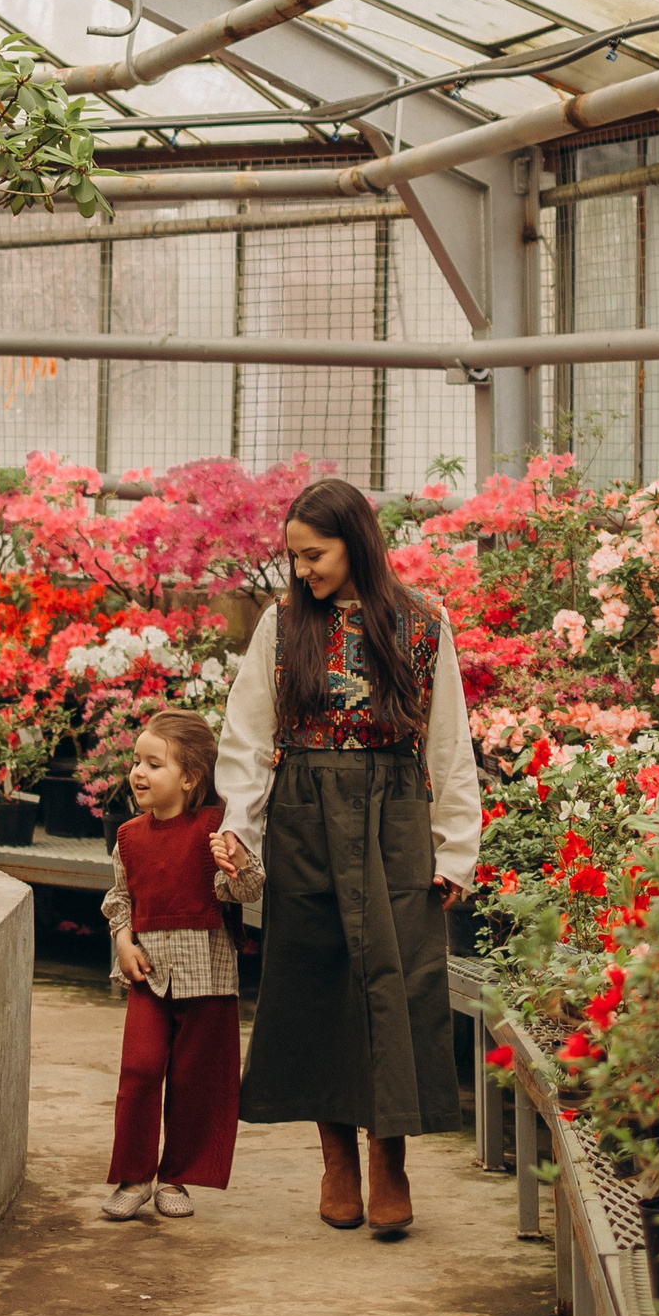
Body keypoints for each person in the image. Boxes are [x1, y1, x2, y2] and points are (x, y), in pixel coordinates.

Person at [211, 477, 481, 1235]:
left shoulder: (423, 623)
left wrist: (456, 850)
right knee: (315, 977)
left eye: (315, 555)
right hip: (303, 813)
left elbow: (450, 744)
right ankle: (336, 1158)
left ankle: (389, 1156)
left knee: (395, 983)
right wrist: (242, 824)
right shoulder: (282, 625)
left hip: (395, 813)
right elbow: (247, 735)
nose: (303, 572)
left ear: (355, 541)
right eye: (294, 558)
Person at [100, 709, 257, 1221]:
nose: (138, 772)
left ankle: (176, 1177)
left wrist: (234, 863)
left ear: (190, 778)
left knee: (196, 1081)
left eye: (154, 764)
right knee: (139, 1071)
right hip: (149, 976)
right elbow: (120, 898)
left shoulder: (215, 829)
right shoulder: (128, 836)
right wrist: (123, 939)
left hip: (208, 978)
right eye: (136, 761)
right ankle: (134, 1175)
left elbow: (247, 890)